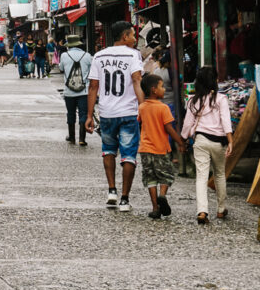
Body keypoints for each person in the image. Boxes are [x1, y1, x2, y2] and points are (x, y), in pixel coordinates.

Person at [86, 21, 144, 212]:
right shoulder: (134, 55)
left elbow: (93, 86)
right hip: (129, 112)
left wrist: (89, 115)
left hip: (107, 112)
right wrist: (143, 107)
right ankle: (125, 200)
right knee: (128, 156)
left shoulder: (99, 56)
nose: (135, 39)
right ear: (125, 36)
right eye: (133, 35)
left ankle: (112, 190)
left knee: (108, 151)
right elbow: (137, 80)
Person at [180, 66, 233, 225]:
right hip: (219, 142)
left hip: (201, 140)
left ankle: (202, 211)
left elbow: (187, 124)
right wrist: (231, 141)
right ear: (215, 81)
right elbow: (226, 121)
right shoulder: (221, 99)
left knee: (201, 177)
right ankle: (221, 209)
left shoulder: (192, 100)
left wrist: (183, 139)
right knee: (219, 174)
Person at [138, 74, 186, 219]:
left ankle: (155, 208)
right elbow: (169, 128)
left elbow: (140, 123)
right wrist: (180, 142)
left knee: (150, 178)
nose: (164, 89)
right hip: (161, 149)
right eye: (162, 86)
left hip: (145, 149)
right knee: (166, 175)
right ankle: (162, 195)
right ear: (154, 90)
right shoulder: (163, 108)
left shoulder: (142, 107)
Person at [59, 35, 92, 145]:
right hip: (84, 91)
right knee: (83, 113)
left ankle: (72, 137)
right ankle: (82, 139)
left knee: (71, 113)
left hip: (69, 91)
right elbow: (91, 72)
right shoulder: (87, 56)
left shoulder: (64, 55)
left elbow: (61, 68)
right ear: (79, 44)